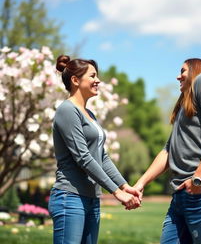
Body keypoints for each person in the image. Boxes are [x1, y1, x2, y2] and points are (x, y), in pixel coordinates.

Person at [134, 58, 201, 244]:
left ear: (196, 70)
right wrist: (141, 183)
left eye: (183, 71)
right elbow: (168, 150)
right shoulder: (184, 104)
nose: (178, 76)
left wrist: (198, 178)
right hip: (180, 194)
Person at [48, 55, 141, 244]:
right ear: (75, 80)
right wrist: (116, 192)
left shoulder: (89, 114)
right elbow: (83, 157)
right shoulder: (67, 110)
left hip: (91, 198)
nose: (98, 80)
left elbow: (102, 157)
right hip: (70, 197)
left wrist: (125, 186)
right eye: (92, 76)